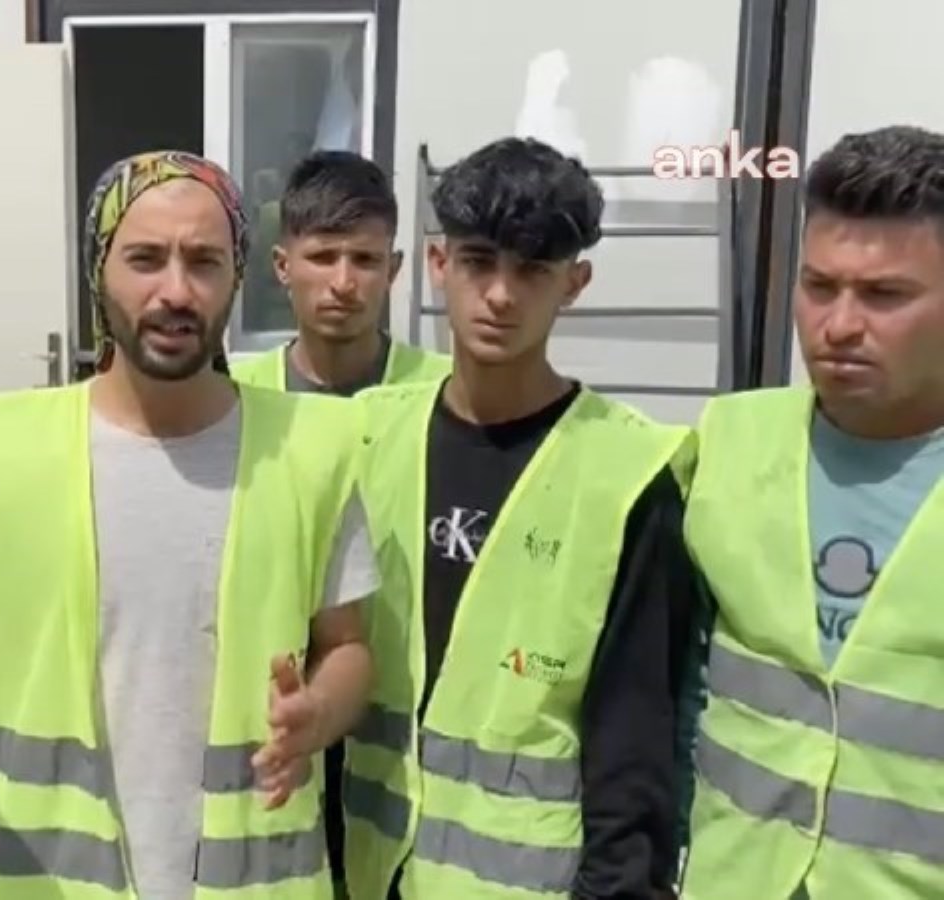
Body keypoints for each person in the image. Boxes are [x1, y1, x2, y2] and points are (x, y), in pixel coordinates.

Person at [0, 149, 380, 900]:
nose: (175, 291)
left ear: (237, 278)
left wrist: (321, 712)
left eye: (204, 262)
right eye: (145, 259)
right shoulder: (9, 449)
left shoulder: (312, 449)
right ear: (98, 272)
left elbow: (347, 646)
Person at [339, 137, 701, 899]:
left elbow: (635, 741)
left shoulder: (629, 473)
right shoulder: (365, 436)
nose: (501, 295)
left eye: (533, 270)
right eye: (479, 262)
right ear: (439, 263)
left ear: (575, 283)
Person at [679, 126, 944, 898]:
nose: (839, 325)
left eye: (885, 296)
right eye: (820, 286)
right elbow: (665, 689)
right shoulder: (723, 445)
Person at [230, 150, 450, 394]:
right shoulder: (235, 394)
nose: (343, 283)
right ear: (283, 266)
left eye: (364, 260)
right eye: (323, 258)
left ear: (392, 270)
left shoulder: (446, 392)